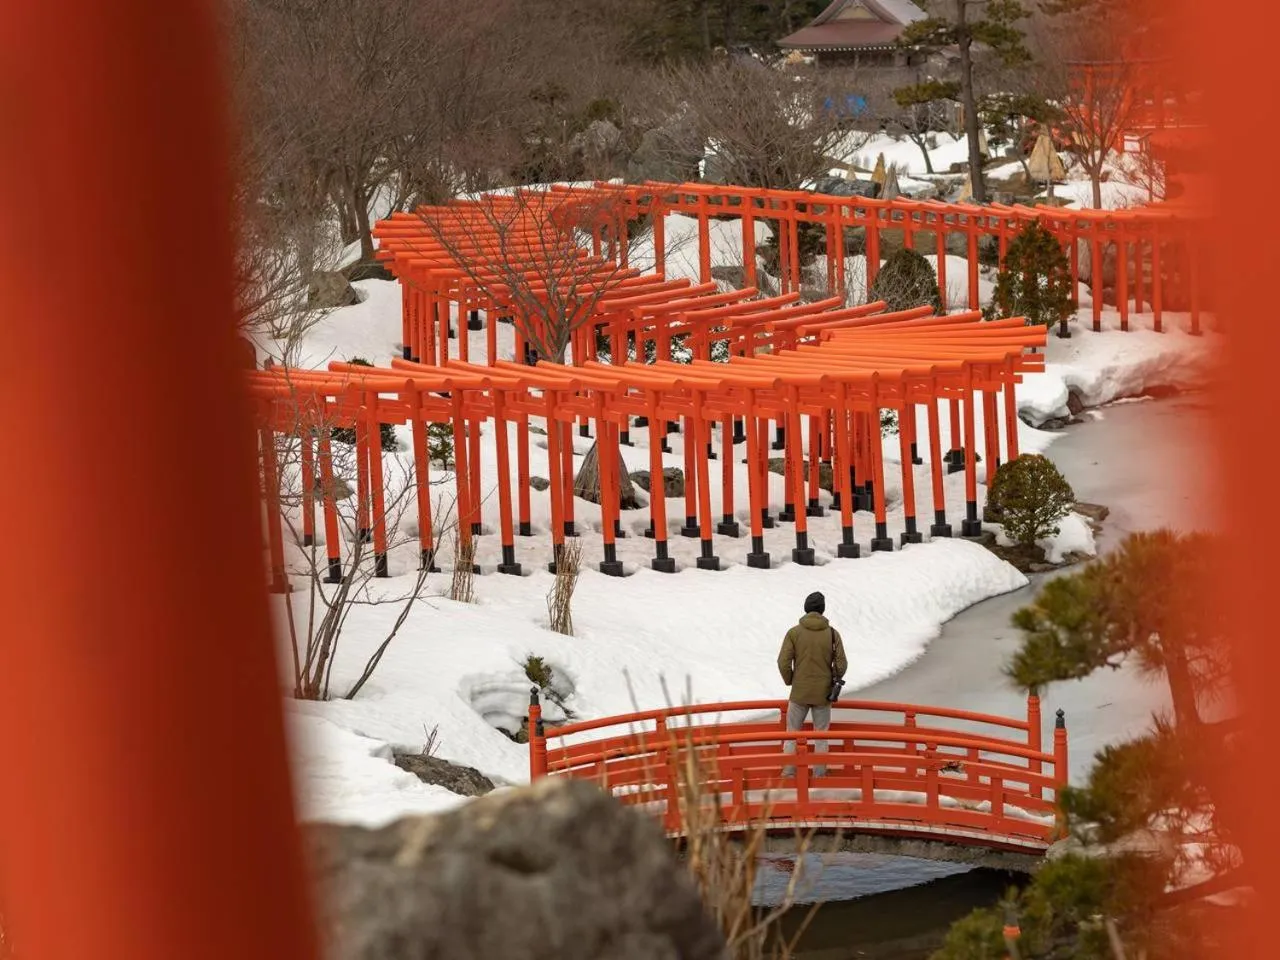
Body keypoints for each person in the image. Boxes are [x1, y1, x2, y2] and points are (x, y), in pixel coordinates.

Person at [777, 591, 847, 779]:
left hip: (799, 693)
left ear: (806, 609)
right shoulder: (832, 634)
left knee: (792, 733)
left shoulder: (794, 633)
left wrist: (791, 679)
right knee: (821, 735)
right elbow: (841, 664)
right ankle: (819, 773)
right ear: (822, 610)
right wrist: (833, 675)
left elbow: (783, 661)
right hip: (823, 694)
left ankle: (789, 772)